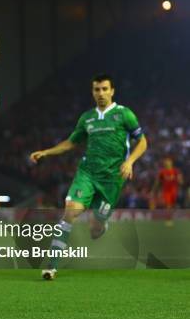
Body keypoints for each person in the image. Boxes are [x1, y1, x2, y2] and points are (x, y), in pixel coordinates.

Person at [30, 74, 148, 280]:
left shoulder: (124, 114)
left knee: (95, 229)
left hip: (111, 179)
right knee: (70, 212)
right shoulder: (87, 118)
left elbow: (143, 142)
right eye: (97, 89)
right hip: (87, 173)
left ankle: (101, 222)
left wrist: (129, 162)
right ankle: (51, 266)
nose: (100, 93)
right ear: (92, 92)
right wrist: (46, 152)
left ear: (112, 91)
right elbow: (70, 143)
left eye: (104, 89)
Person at [153, 157, 183, 225]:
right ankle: (168, 219)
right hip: (166, 191)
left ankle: (171, 218)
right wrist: (154, 189)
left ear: (171, 163)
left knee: (172, 205)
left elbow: (181, 181)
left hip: (174, 191)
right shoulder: (162, 172)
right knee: (168, 205)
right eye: (166, 162)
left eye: (168, 161)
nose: (167, 163)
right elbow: (157, 182)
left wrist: (180, 180)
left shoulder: (175, 171)